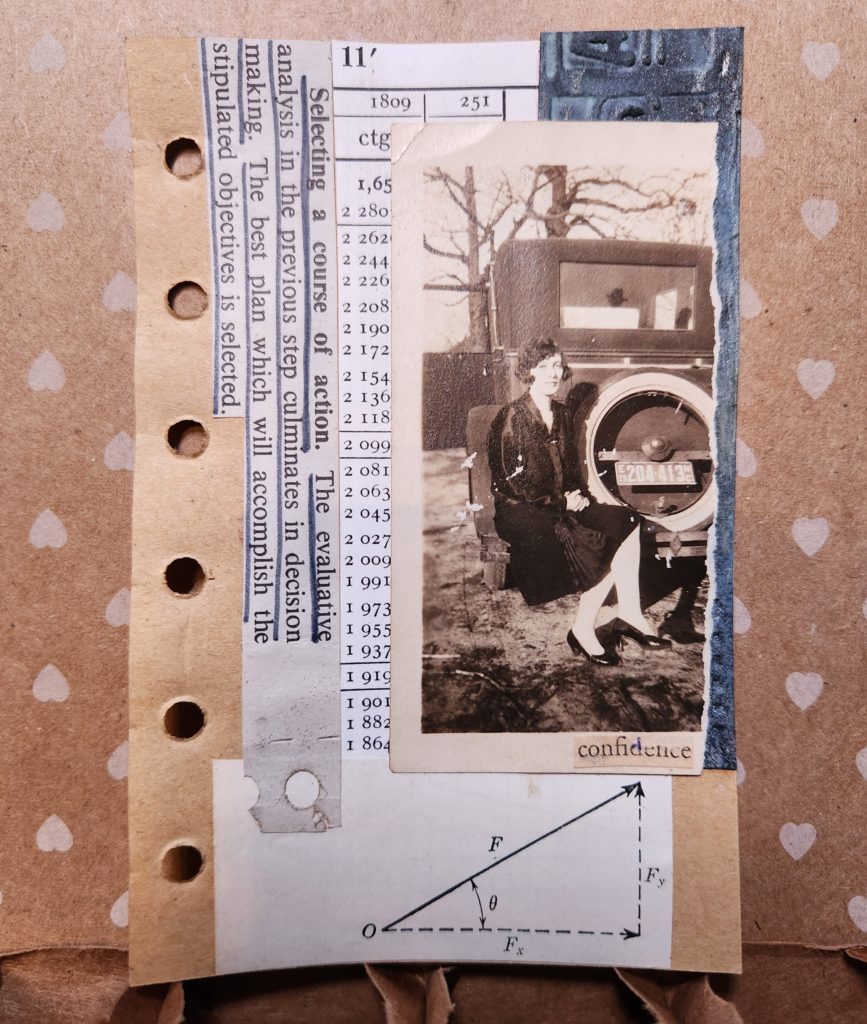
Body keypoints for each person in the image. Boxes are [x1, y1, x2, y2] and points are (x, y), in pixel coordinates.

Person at [487, 337, 671, 666]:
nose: (552, 373)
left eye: (557, 365)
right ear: (528, 372)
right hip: (522, 510)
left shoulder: (562, 413)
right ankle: (583, 629)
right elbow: (513, 482)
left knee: (627, 523)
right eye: (543, 367)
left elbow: (571, 469)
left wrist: (578, 496)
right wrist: (562, 502)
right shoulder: (511, 417)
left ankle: (629, 614)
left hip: (559, 502)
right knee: (596, 541)